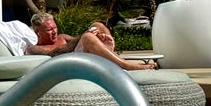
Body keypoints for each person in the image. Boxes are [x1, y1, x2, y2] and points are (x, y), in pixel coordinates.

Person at [27, 13, 156, 71]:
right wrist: (87, 35)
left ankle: (114, 54)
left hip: (82, 58)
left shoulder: (63, 37)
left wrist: (98, 36)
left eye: (55, 27)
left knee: (97, 25)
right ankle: (125, 65)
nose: (54, 32)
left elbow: (78, 43)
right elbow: (54, 54)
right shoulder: (33, 49)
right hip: (70, 65)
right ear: (38, 31)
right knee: (87, 37)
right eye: (49, 30)